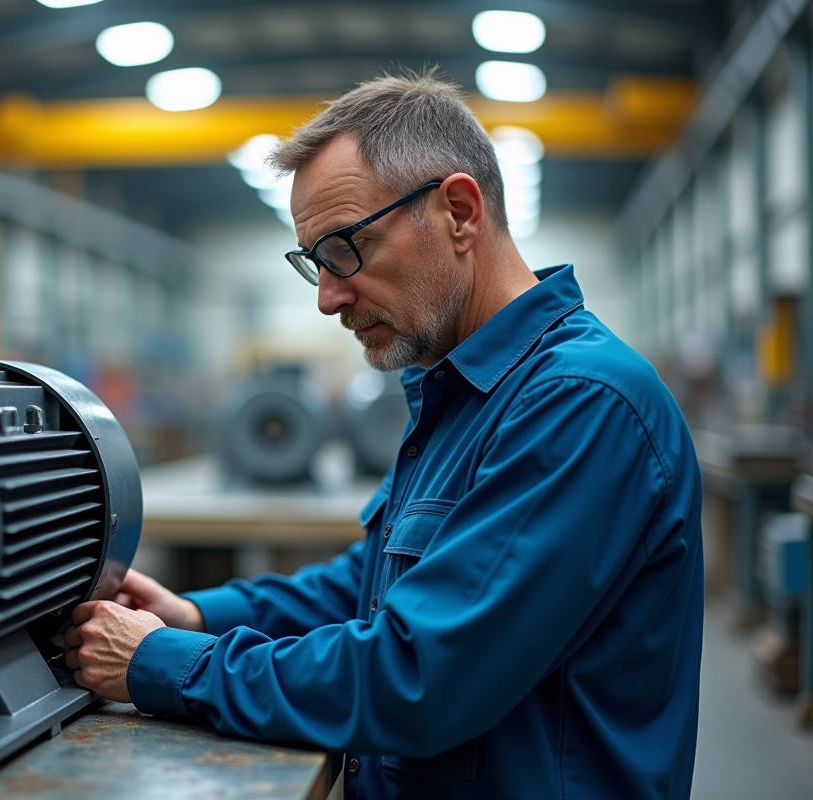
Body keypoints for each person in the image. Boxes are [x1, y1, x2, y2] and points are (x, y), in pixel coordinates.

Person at [64, 71, 703, 800]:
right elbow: (370, 589)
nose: (328, 296)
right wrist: (200, 615)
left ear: (459, 211)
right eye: (314, 261)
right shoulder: (462, 394)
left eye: (344, 249)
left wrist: (168, 663)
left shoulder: (579, 406)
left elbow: (422, 677)